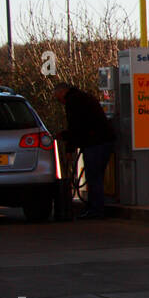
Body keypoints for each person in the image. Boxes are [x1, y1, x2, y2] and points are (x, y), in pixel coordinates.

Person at [53, 81, 115, 219]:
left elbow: (76, 126)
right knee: (95, 176)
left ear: (63, 93)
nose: (60, 102)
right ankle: (94, 208)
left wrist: (69, 147)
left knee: (94, 176)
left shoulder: (73, 102)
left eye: (58, 98)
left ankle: (96, 210)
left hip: (96, 142)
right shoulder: (82, 97)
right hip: (101, 140)